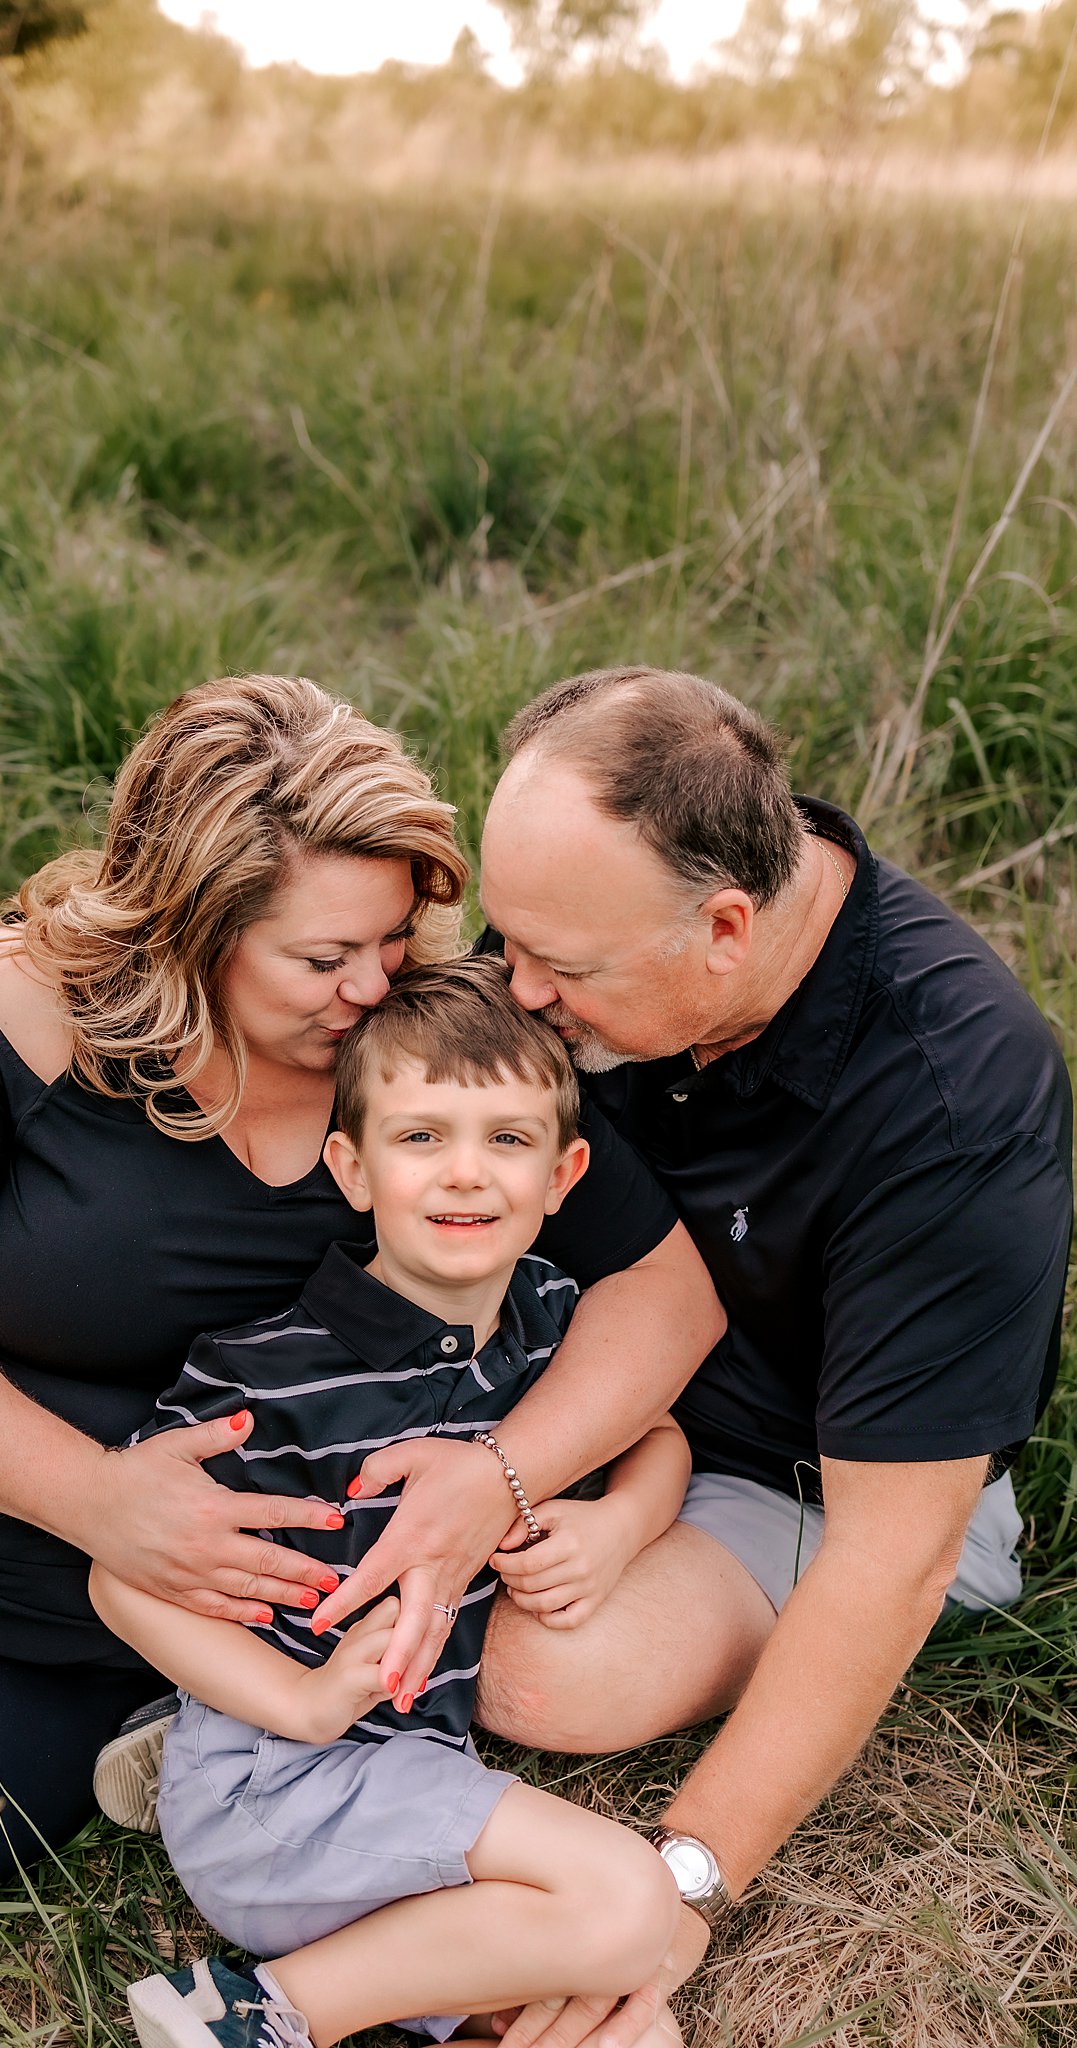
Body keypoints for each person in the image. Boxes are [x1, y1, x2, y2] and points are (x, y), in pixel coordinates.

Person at [0, 672, 722, 1911]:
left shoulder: (431, 1058)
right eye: (322, 955)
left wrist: (502, 1471)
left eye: (394, 937)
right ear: (192, 925)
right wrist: (95, 1495)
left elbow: (668, 1294)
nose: (370, 987)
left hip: (58, 1625)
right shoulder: (27, 1009)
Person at [404, 663, 1068, 2046]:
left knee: (542, 1679)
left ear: (723, 930)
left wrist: (679, 1888)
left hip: (799, 1479)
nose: (514, 991)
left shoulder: (954, 1097)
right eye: (504, 939)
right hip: (584, 1377)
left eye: (561, 970)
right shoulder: (612, 926)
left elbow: (897, 1550)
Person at [89, 958, 692, 2048]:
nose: (466, 1174)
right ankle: (253, 2015)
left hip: (408, 1792)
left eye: (506, 1139)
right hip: (279, 1780)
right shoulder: (268, 1378)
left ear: (565, 1174)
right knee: (629, 1902)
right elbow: (119, 1574)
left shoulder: (552, 1321)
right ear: (352, 1167)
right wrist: (307, 1700)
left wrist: (622, 1521)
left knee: (626, 2024)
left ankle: (377, 2004)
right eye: (422, 1138)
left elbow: (655, 1432)